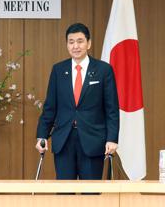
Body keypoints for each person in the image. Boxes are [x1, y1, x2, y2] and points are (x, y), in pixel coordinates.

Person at [36, 23, 119, 180]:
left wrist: (112, 138)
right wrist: (42, 136)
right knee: (65, 195)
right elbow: (50, 107)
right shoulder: (58, 70)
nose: (75, 46)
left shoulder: (103, 70)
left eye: (80, 41)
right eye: (71, 41)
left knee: (91, 194)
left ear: (89, 43)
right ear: (67, 44)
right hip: (64, 141)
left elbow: (112, 109)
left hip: (93, 140)